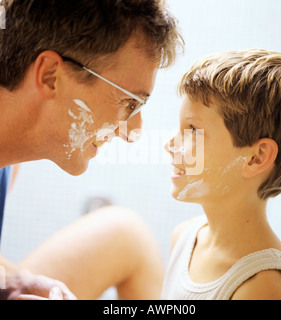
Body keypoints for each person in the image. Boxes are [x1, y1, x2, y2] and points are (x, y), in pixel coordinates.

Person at [0, 0, 183, 300]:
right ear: (49, 75)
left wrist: (15, 281)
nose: (133, 131)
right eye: (129, 102)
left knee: (126, 234)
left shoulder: (9, 162)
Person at [162, 49, 281, 300]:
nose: (170, 144)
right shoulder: (184, 237)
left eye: (192, 130)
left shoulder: (265, 288)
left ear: (256, 157)